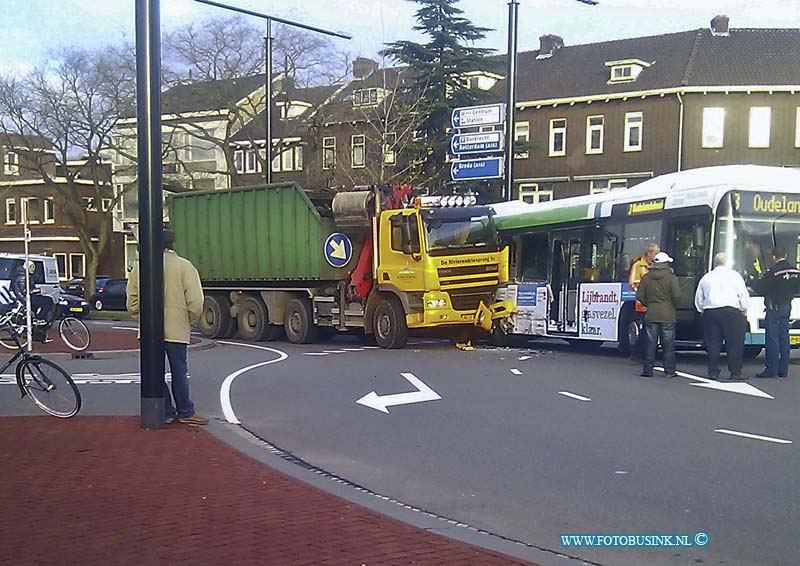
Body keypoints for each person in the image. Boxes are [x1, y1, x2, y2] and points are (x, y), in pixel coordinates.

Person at [127, 230, 207, 425]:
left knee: (155, 371)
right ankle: (186, 411)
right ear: (173, 245)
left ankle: (166, 411)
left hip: (148, 330)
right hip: (177, 328)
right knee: (179, 370)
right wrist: (189, 320)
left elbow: (132, 301)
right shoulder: (185, 266)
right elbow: (196, 301)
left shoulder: (141, 267)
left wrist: (142, 318)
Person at [694, 252, 750, 381]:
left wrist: (702, 310)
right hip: (731, 312)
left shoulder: (706, 277)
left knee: (713, 343)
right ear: (727, 262)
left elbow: (699, 298)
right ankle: (735, 372)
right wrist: (744, 308)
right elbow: (742, 294)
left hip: (711, 312)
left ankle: (713, 371)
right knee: (734, 343)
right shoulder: (735, 276)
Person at [753, 247, 800, 378]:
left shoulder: (773, 271)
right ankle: (783, 369)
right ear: (785, 255)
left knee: (772, 338)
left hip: (774, 307)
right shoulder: (795, 270)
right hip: (787, 306)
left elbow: (760, 288)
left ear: (774, 257)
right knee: (784, 337)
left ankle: (771, 369)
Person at [636, 251, 681, 377]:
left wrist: (649, 304)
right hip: (667, 314)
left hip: (651, 313)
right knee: (668, 344)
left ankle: (647, 370)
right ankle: (669, 370)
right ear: (666, 263)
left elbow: (640, 295)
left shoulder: (646, 277)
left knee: (650, 343)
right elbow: (677, 296)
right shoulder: (671, 278)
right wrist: (673, 306)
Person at [628, 243, 660, 361]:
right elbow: (633, 284)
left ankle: (646, 354)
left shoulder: (658, 265)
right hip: (643, 304)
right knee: (645, 330)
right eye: (655, 253)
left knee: (650, 330)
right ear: (649, 253)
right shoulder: (638, 265)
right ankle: (638, 354)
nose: (657, 255)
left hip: (654, 304)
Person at [12, 262, 55, 343]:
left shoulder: (26, 276)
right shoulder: (23, 277)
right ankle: (38, 319)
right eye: (32, 267)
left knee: (43, 316)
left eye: (34, 267)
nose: (33, 269)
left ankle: (40, 336)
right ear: (27, 267)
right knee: (48, 301)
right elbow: (25, 291)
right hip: (26, 299)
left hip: (29, 298)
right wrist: (39, 290)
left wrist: (38, 292)